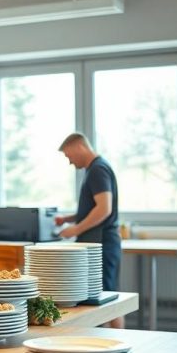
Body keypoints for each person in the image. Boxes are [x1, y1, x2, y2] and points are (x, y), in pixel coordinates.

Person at [55, 132, 122, 325]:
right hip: (100, 243)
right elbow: (95, 207)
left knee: (109, 300)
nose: (69, 162)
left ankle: (116, 349)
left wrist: (75, 230)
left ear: (79, 147)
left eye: (69, 156)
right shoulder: (94, 169)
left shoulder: (97, 170)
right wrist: (68, 219)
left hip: (102, 244)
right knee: (105, 297)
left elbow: (104, 208)